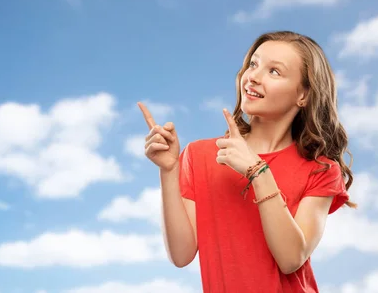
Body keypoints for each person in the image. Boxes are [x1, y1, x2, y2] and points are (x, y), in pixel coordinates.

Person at [138, 30, 355, 293]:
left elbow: (290, 259)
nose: (253, 77)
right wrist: (169, 170)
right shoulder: (201, 155)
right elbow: (181, 255)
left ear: (304, 96)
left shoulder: (320, 170)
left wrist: (258, 173)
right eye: (253, 64)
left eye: (274, 71)